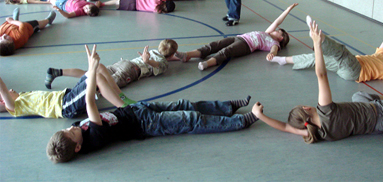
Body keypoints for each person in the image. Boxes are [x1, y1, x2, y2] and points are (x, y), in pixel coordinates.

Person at [46, 45, 259, 163]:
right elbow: (90, 103)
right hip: (145, 124)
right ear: (78, 147)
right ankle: (241, 121)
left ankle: (228, 107)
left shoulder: (77, 136)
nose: (72, 127)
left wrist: (96, 71)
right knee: (190, 119)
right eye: (72, 133)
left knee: (184, 103)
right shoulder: (93, 138)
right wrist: (91, 70)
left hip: (136, 110)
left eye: (67, 128)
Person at [252, 19, 383, 143]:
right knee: (342, 54)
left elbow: (286, 127)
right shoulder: (326, 111)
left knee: (358, 96)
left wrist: (260, 116)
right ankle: (322, 40)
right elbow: (321, 75)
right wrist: (317, 44)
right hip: (382, 113)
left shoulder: (316, 132)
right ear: (306, 108)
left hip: (375, 127)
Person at [274, 9, 383, 91]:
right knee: (317, 58)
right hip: (346, 69)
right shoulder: (382, 55)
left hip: (355, 70)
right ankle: (283, 60)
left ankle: (318, 37)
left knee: (342, 52)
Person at [0, 48, 135, 118]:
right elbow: (4, 90)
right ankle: (126, 108)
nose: (11, 89)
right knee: (98, 77)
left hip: (67, 95)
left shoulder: (23, 96)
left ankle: (122, 97)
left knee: (99, 68)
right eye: (8, 93)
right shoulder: (16, 107)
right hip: (65, 106)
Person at [175, 3, 298, 70]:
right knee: (215, 45)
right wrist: (287, 10)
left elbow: (274, 50)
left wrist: (272, 54)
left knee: (226, 51)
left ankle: (208, 63)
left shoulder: (274, 43)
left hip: (245, 45)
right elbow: (277, 21)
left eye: (278, 31)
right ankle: (188, 55)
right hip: (238, 37)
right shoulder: (267, 32)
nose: (275, 30)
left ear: (281, 38)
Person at [45, 39, 179, 89]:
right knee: (103, 86)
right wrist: (147, 61)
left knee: (92, 73)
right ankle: (76, 93)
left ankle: (59, 72)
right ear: (171, 54)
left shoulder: (153, 51)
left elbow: (160, 58)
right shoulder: (163, 63)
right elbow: (157, 65)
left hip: (124, 62)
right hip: (132, 70)